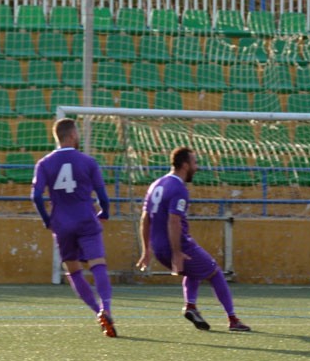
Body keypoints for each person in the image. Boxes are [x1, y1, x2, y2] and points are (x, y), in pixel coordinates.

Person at [136, 146, 250, 332]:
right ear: (184, 165)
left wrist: (146, 250)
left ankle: (191, 306)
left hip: (159, 248)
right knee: (215, 273)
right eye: (194, 162)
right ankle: (233, 320)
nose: (197, 167)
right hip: (178, 246)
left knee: (194, 271)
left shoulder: (156, 184)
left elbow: (145, 219)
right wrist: (177, 253)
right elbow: (174, 221)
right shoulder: (178, 188)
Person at [32, 119, 116, 337]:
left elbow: (36, 196)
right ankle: (106, 307)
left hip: (62, 223)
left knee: (73, 270)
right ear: (70, 136)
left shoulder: (44, 163)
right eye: (77, 133)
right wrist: (104, 212)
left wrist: (48, 220)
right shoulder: (88, 162)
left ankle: (97, 312)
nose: (79, 137)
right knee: (98, 264)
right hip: (86, 219)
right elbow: (103, 196)